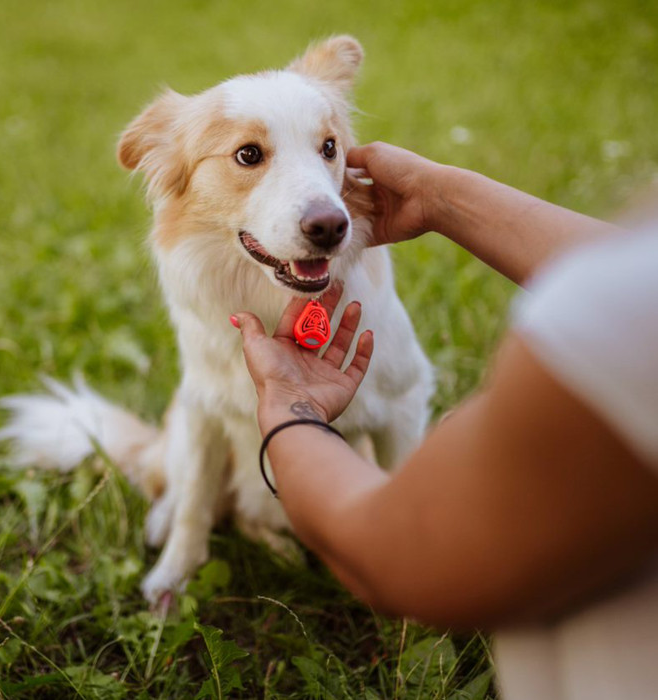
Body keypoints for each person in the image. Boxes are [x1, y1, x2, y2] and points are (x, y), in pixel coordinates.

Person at [231, 141, 658, 700]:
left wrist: (292, 414)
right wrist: (437, 197)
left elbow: (398, 555)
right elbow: (625, 282)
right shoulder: (630, 306)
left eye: (328, 147)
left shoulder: (627, 331)